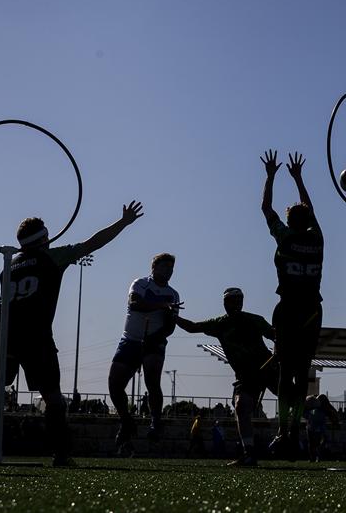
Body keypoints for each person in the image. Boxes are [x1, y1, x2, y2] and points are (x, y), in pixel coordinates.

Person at [0, 201, 143, 467]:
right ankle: (60, 455)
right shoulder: (51, 257)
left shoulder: (8, 266)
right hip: (35, 335)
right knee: (53, 397)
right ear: (44, 238)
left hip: (4, 334)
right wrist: (123, 223)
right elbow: (93, 243)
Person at [260, 150, 324, 460]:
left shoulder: (284, 238)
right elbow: (310, 208)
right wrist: (299, 178)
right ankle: (292, 431)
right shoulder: (317, 239)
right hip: (310, 312)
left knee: (287, 372)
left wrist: (271, 175)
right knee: (300, 373)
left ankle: (285, 430)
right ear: (308, 220)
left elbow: (265, 207)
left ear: (288, 221)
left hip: (289, 310)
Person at [176, 287, 278, 466]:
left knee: (292, 399)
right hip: (246, 376)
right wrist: (172, 316)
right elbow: (192, 327)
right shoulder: (220, 324)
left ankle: (316, 402)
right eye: (231, 301)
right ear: (224, 303)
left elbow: (276, 336)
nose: (235, 304)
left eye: (238, 301)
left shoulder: (255, 320)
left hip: (267, 369)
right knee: (240, 407)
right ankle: (249, 453)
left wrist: (280, 347)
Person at [108, 253, 182, 453]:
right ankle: (126, 421)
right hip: (130, 340)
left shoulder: (173, 294)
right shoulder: (140, 284)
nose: (168, 272)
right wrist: (161, 305)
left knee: (152, 380)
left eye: (171, 269)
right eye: (165, 267)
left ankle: (155, 422)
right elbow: (135, 304)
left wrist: (156, 335)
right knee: (114, 385)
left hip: (154, 342)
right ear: (154, 268)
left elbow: (170, 327)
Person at [304, 394, 340, 462]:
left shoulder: (320, 408)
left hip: (314, 427)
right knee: (316, 443)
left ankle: (314, 458)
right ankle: (316, 457)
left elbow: (306, 415)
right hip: (316, 427)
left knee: (313, 443)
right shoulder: (323, 408)